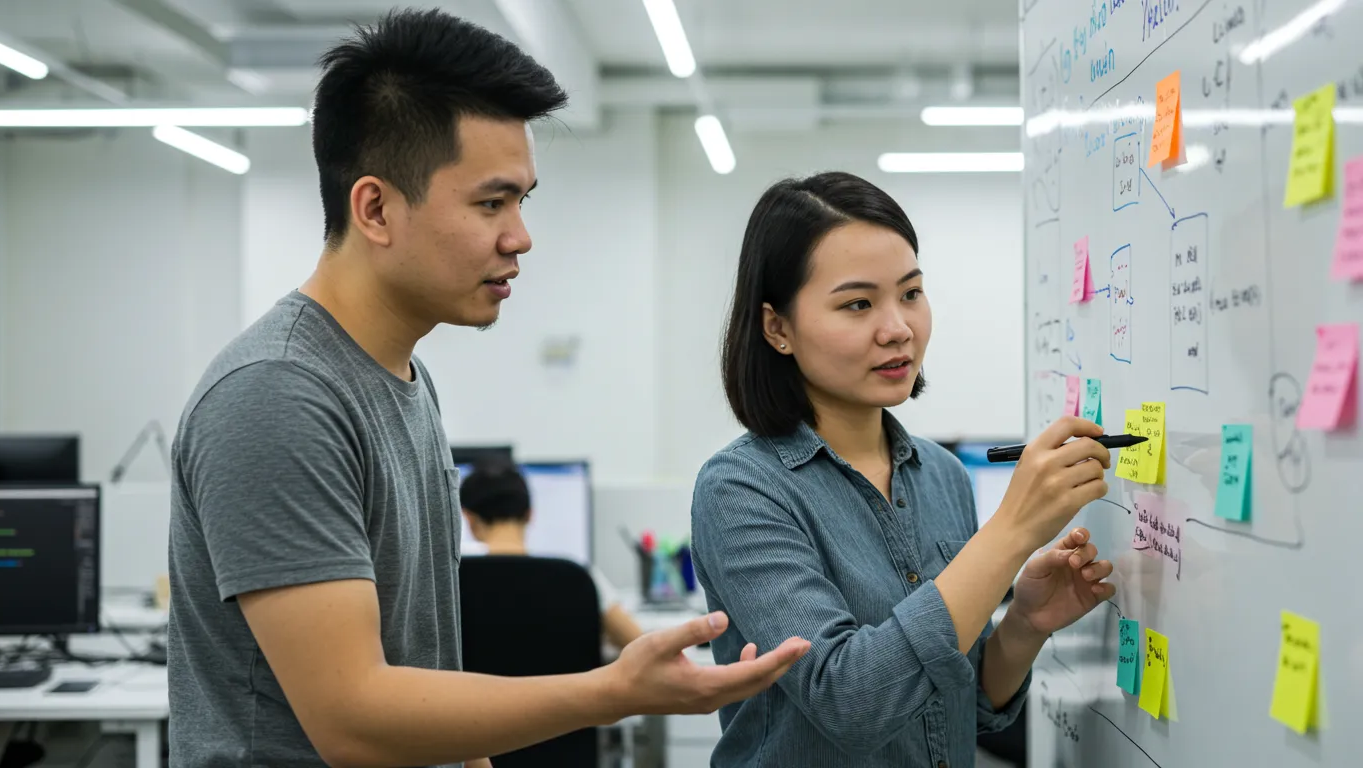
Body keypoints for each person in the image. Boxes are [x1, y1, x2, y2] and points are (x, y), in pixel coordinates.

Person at [166, 9, 809, 768]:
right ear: (375, 208)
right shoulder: (277, 395)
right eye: (489, 203)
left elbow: (423, 673)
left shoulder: (405, 380)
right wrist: (615, 690)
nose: (520, 237)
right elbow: (354, 718)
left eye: (522, 202)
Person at [690, 171, 1115, 766]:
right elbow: (853, 701)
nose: (898, 329)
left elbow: (952, 705)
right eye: (858, 304)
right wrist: (1011, 533)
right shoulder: (742, 489)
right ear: (777, 328)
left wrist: (1023, 625)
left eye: (911, 293)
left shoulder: (939, 474)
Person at [459, 461, 644, 653]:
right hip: (571, 684)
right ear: (530, 515)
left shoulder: (455, 581)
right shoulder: (577, 576)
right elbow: (641, 646)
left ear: (469, 519)